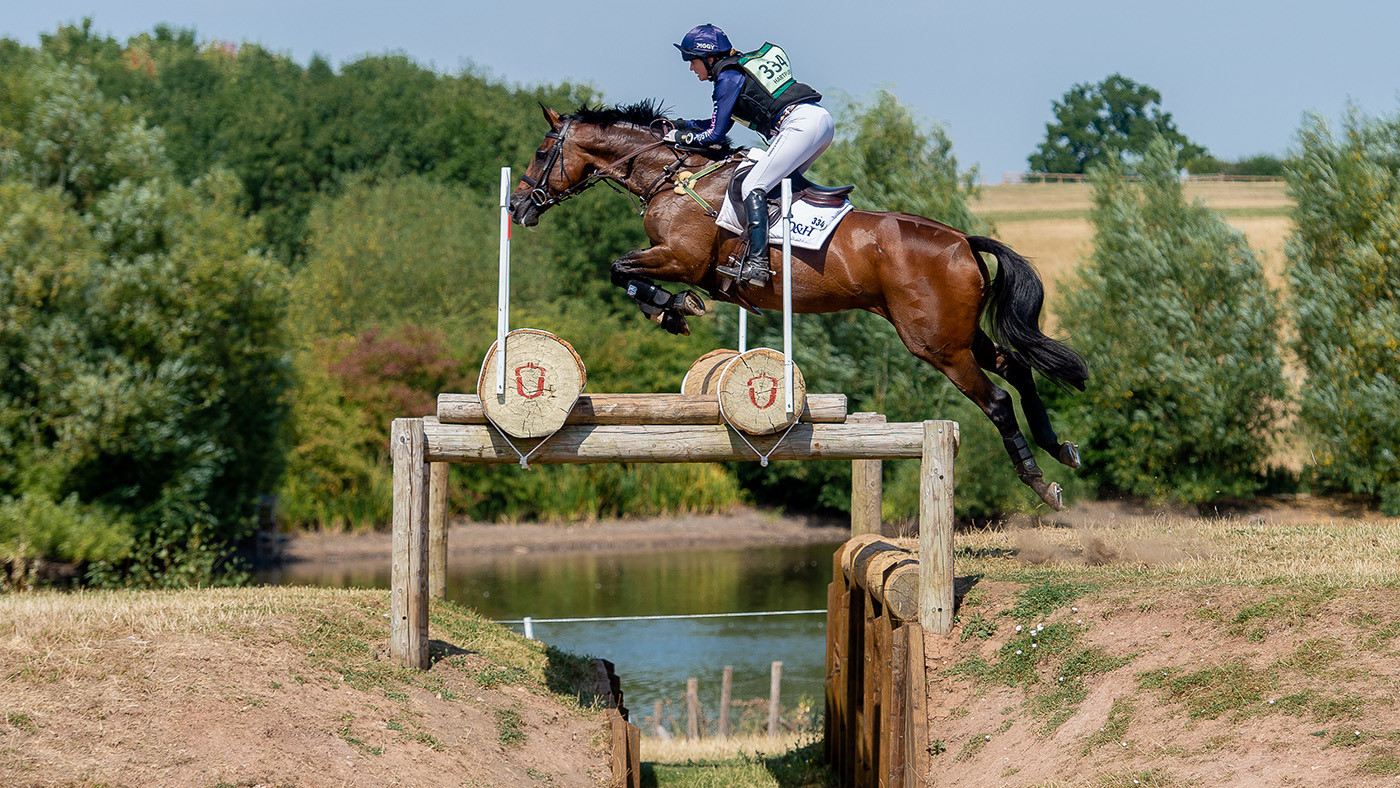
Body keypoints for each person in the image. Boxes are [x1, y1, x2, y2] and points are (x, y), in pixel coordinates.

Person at [667, 24, 835, 283]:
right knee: (776, 186)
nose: (690, 67)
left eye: (691, 60)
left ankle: (758, 263)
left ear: (709, 58)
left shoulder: (728, 77)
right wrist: (681, 124)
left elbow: (714, 136)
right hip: (818, 121)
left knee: (752, 185)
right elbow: (716, 124)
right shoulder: (736, 71)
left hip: (799, 125)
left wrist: (678, 138)